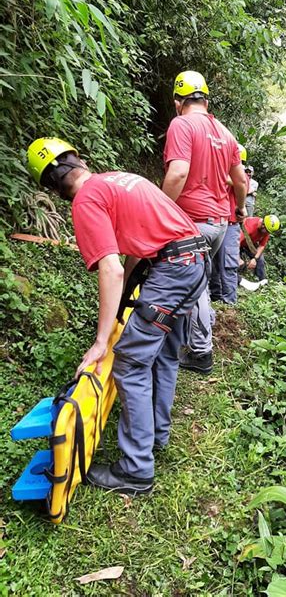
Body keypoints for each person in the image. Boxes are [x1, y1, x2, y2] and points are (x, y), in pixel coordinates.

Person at [27, 137, 208, 495]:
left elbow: (110, 268)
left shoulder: (85, 201)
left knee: (129, 362)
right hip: (194, 259)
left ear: (51, 184)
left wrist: (99, 343)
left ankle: (136, 469)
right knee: (165, 353)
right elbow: (137, 250)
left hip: (172, 269)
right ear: (77, 159)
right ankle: (156, 434)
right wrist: (126, 303)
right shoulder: (119, 179)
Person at [162, 70, 247, 374]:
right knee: (198, 281)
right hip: (219, 224)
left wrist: (160, 209)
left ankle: (201, 351)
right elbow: (240, 181)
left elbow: (178, 173)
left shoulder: (181, 124)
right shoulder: (225, 133)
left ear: (178, 101)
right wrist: (239, 209)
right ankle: (196, 334)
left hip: (192, 222)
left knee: (193, 284)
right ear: (206, 99)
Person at [210, 145, 249, 305]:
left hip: (231, 224)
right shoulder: (219, 172)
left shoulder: (242, 177)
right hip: (215, 222)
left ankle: (229, 301)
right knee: (211, 263)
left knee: (228, 264)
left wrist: (217, 170)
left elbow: (237, 181)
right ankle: (214, 295)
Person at [239, 215, 280, 281]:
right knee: (236, 262)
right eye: (266, 231)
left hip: (250, 244)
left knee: (260, 259)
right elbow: (236, 242)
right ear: (263, 225)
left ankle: (262, 282)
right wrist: (237, 258)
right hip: (238, 243)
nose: (267, 233)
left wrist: (254, 259)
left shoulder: (266, 231)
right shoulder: (250, 226)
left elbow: (262, 246)